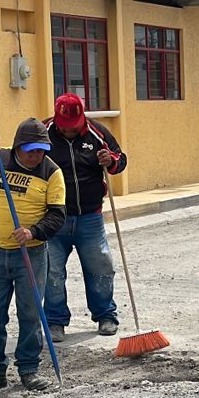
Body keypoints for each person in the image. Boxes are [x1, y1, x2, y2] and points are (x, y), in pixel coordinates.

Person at [0, 118, 66, 393]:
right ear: (18, 146)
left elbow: (57, 216)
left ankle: (29, 369)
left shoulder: (51, 172)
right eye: (30, 149)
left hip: (31, 254)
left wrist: (34, 231)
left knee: (31, 313)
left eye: (41, 149)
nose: (36, 155)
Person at [42, 93, 127, 340]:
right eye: (64, 126)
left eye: (74, 126)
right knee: (52, 271)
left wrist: (110, 161)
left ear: (82, 117)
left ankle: (105, 315)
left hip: (90, 216)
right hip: (52, 218)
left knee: (101, 266)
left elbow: (120, 160)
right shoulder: (43, 133)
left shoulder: (97, 133)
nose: (68, 130)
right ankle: (55, 321)